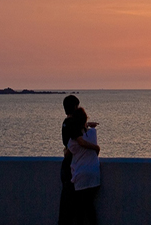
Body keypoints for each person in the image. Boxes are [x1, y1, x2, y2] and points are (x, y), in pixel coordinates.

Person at [68, 107, 101, 225]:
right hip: (94, 175)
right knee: (90, 207)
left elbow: (69, 152)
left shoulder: (73, 140)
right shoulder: (92, 134)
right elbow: (86, 131)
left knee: (80, 210)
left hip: (81, 175)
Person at [58, 94, 81, 225]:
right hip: (71, 166)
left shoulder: (65, 123)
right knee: (70, 202)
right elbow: (79, 141)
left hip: (65, 166)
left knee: (66, 201)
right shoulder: (72, 124)